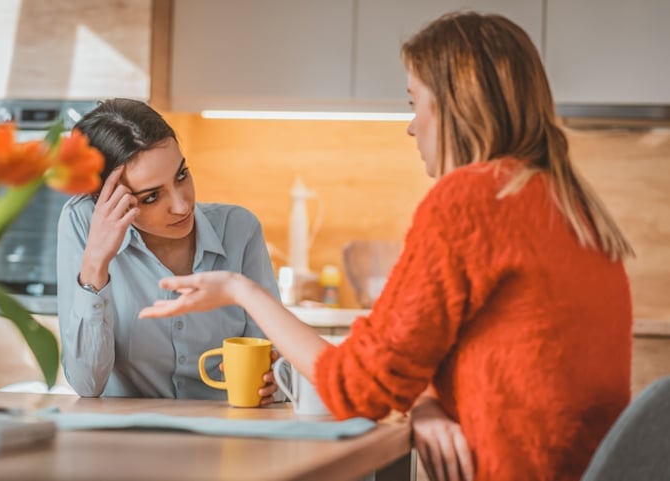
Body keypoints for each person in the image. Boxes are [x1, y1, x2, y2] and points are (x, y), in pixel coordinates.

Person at [138, 11, 634, 481]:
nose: (411, 125)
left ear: (452, 107)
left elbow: (356, 388)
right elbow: (488, 362)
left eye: (413, 102)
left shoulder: (472, 202)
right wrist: (426, 401)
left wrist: (241, 290)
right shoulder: (570, 206)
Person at [56, 98, 281, 403]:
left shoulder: (239, 230)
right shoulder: (82, 222)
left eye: (181, 175)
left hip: (226, 435)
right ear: (105, 200)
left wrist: (275, 379)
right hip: (126, 441)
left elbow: (277, 360)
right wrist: (96, 262)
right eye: (151, 197)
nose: (181, 205)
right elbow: (87, 384)